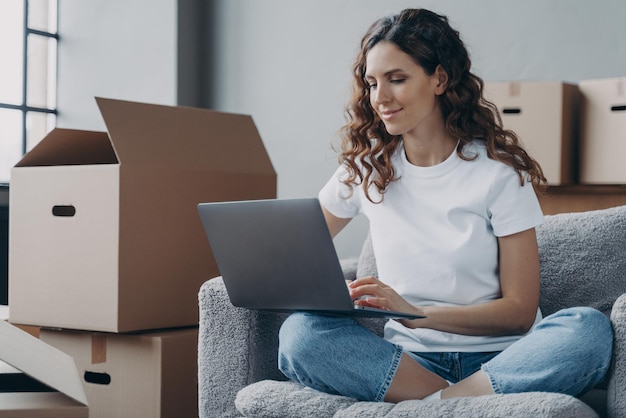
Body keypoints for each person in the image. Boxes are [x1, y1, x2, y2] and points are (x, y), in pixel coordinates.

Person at [277, 8, 613, 403]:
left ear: (440, 78)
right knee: (300, 334)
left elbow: (520, 310)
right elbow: (294, 254)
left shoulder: (498, 173)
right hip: (409, 365)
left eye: (397, 79)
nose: (380, 98)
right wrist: (337, 292)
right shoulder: (366, 170)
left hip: (503, 358)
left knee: (588, 329)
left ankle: (436, 405)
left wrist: (413, 313)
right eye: (371, 83)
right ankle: (458, 403)